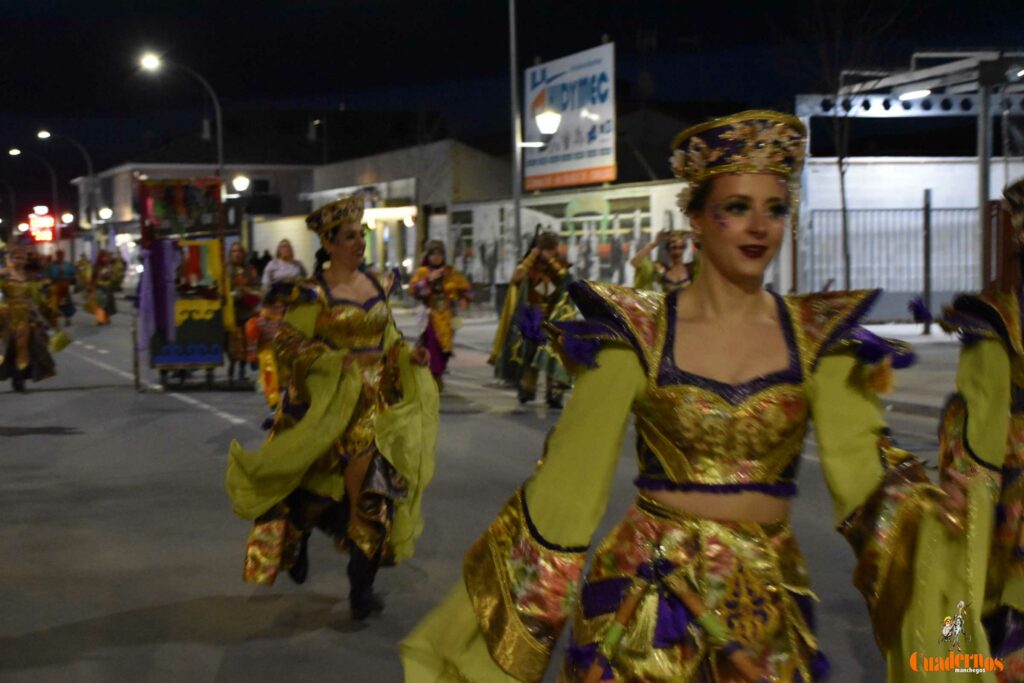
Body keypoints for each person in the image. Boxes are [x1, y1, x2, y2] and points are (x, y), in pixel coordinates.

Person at [402, 111, 978, 682]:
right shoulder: (639, 333)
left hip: (764, 610)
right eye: (736, 207)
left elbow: (865, 480)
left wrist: (926, 508)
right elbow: (566, 491)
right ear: (696, 221)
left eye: (774, 209)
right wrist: (500, 635)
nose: (759, 226)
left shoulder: (818, 340)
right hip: (646, 605)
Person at [226, 195, 439, 620]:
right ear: (329, 243)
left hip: (376, 407)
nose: (358, 244)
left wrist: (406, 356)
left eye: (360, 236)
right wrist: (332, 360)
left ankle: (362, 590)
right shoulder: (313, 293)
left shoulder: (378, 284)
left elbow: (389, 339)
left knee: (373, 499)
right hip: (330, 407)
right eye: (348, 237)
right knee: (315, 490)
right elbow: (287, 342)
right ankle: (298, 535)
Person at [932, 176, 1024, 681]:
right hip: (1009, 476)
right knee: (987, 600)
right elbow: (981, 411)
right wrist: (971, 488)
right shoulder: (995, 317)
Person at [489, 230, 575, 408]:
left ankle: (554, 393)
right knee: (529, 355)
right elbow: (516, 277)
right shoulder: (530, 266)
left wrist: (550, 260)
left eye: (553, 249)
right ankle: (527, 389)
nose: (553, 252)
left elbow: (564, 278)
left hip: (554, 315)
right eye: (549, 249)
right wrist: (532, 257)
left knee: (554, 355)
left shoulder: (559, 264)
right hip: (533, 315)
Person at [408, 240, 472, 390]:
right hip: (429, 315)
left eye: (439, 254)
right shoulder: (423, 272)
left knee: (445, 349)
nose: (436, 257)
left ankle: (438, 374)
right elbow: (413, 290)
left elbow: (466, 288)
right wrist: (428, 280)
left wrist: (464, 299)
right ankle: (433, 377)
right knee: (432, 345)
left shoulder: (451, 272)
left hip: (448, 316)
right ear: (428, 256)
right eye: (433, 254)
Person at [0, 246, 58, 392]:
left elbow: (32, 297)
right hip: (6, 314)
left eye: (22, 258)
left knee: (22, 346)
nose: (20, 261)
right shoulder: (4, 273)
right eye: (16, 257)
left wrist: (42, 313)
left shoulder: (28, 276)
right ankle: (12, 373)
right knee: (7, 347)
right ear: (10, 258)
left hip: (24, 314)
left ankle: (19, 379)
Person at [225, 242, 261, 384]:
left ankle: (242, 368)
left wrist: (248, 292)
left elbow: (258, 288)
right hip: (231, 311)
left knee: (246, 339)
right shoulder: (226, 270)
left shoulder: (250, 270)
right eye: (234, 251)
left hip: (248, 310)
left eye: (239, 251)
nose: (237, 253)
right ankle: (232, 368)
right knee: (233, 341)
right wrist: (233, 294)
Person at [44, 249, 76, 325]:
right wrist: (48, 285)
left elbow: (73, 275)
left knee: (66, 303)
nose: (60, 256)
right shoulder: (51, 266)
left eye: (61, 254)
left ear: (64, 255)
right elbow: (47, 276)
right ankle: (54, 320)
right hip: (55, 287)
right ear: (56, 255)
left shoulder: (68, 265)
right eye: (58, 254)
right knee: (54, 303)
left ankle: (67, 319)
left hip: (65, 287)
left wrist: (71, 283)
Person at [87, 251, 117, 325]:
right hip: (99, 286)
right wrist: (91, 286)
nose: (105, 259)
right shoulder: (97, 266)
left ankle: (107, 317)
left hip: (108, 286)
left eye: (106, 257)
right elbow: (93, 277)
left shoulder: (109, 266)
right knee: (100, 303)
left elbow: (113, 275)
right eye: (103, 257)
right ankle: (100, 319)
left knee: (108, 303)